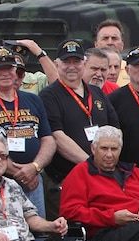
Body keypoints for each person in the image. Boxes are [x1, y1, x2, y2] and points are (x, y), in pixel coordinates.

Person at [0, 46, 56, 216]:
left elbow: (48, 139)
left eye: (9, 68)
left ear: (16, 71)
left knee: (38, 230)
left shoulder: (33, 100)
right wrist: (22, 174)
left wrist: (34, 167)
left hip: (34, 179)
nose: (5, 73)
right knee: (6, 232)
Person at [40, 39, 119, 189]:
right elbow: (57, 138)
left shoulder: (97, 92)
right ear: (56, 64)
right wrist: (92, 163)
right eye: (66, 62)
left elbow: (115, 130)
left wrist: (107, 161)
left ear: (83, 64)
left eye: (76, 62)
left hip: (101, 176)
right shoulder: (48, 95)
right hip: (66, 180)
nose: (71, 67)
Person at [95, 19, 129, 86]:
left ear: (122, 44)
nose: (110, 43)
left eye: (114, 38)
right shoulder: (85, 70)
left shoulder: (133, 71)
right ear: (96, 45)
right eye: (105, 38)